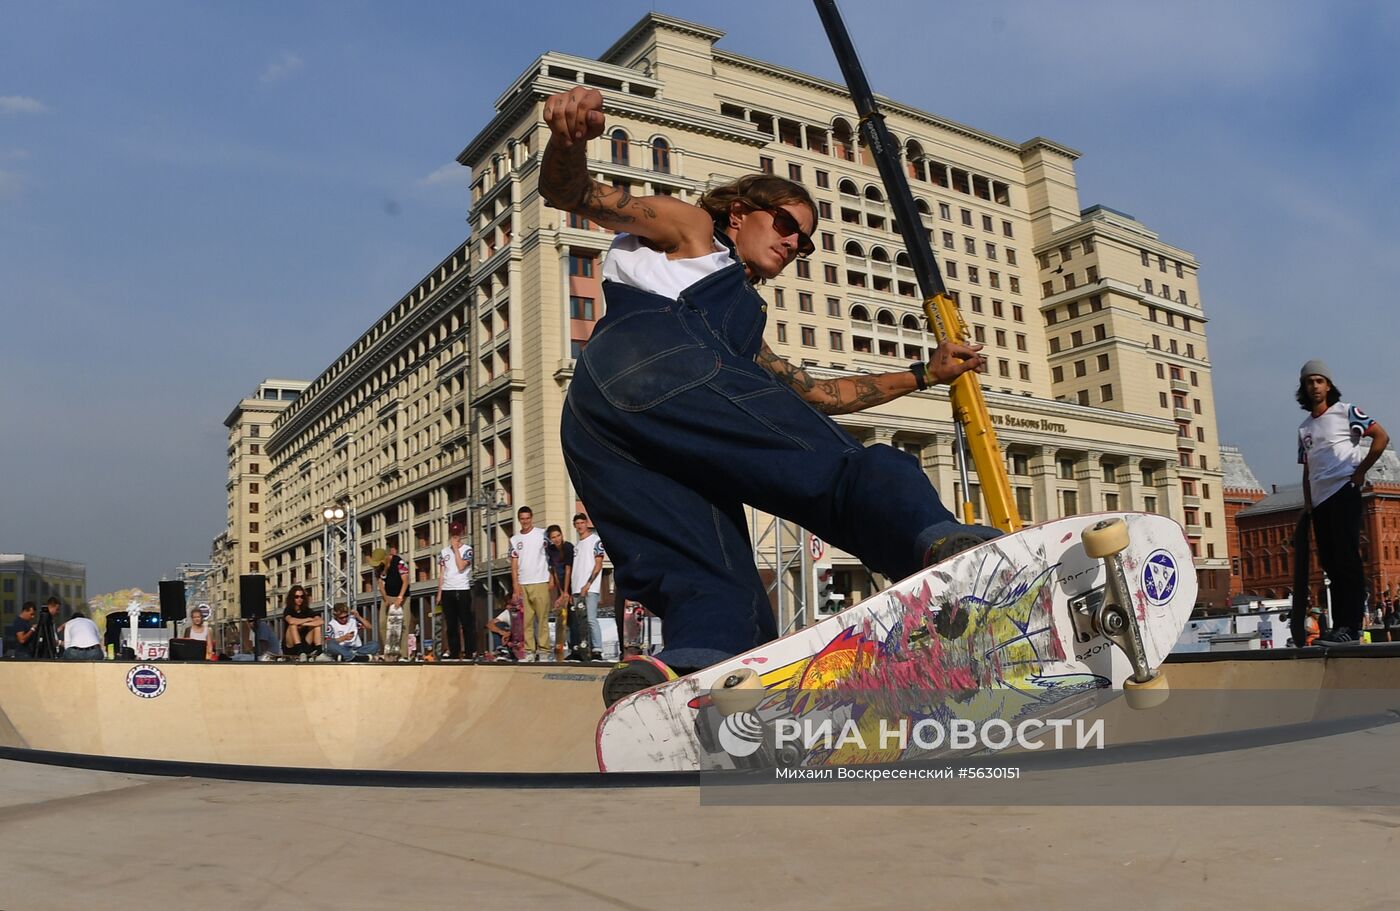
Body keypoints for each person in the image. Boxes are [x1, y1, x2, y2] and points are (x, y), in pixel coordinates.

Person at [540, 85, 996, 703]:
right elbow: (574, 195)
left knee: (708, 574)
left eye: (803, 241)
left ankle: (689, 674)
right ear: (739, 212)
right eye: (784, 223)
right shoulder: (693, 229)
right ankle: (939, 547)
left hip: (599, 418)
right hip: (660, 359)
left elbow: (821, 395)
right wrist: (568, 140)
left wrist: (923, 374)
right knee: (838, 470)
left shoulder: (741, 335)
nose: (792, 242)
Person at [1297, 359, 1389, 645]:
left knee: (1348, 560)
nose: (1315, 386)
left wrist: (1361, 471)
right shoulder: (1304, 428)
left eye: (1319, 380)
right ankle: (1340, 627)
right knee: (1331, 564)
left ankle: (1351, 625)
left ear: (1328, 385)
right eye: (1309, 381)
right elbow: (1307, 468)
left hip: (1343, 491)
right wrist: (1308, 503)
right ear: (1304, 387)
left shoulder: (1346, 411)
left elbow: (1381, 437)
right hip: (1320, 501)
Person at [509, 506, 552, 662]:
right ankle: (529, 651)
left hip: (540, 580)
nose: (525, 521)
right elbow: (514, 563)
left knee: (542, 619)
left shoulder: (542, 534)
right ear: (519, 519)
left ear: (531, 518)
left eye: (527, 518)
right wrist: (516, 586)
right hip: (523, 583)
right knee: (526, 620)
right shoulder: (515, 539)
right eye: (522, 519)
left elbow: (551, 556)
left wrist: (552, 577)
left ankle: (544, 650)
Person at [437, 521, 475, 659]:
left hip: (462, 588)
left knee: (466, 622)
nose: (455, 537)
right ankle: (454, 651)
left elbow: (460, 566)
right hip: (448, 589)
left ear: (461, 534)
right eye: (453, 534)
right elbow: (442, 573)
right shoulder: (444, 552)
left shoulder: (467, 550)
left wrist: (456, 549)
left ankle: (469, 651)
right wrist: (439, 593)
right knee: (451, 624)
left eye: (457, 534)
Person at [571, 513, 605, 660]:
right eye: (577, 523)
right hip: (576, 588)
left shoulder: (595, 540)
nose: (580, 526)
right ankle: (584, 649)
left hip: (589, 588)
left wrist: (588, 583)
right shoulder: (577, 545)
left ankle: (597, 649)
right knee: (581, 622)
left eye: (582, 523)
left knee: (591, 619)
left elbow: (598, 564)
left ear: (586, 523)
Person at [373, 545, 410, 659]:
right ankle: (389, 654)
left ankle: (403, 655)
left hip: (403, 596)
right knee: (383, 623)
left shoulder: (399, 562)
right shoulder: (379, 568)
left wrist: (400, 598)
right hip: (387, 596)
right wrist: (385, 598)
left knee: (403, 625)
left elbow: (406, 581)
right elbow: (380, 584)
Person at [545, 524, 575, 660]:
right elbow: (555, 571)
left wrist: (567, 592)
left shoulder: (568, 547)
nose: (556, 539)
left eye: (558, 536)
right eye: (553, 537)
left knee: (572, 616)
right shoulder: (551, 550)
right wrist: (561, 591)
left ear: (562, 535)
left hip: (572, 582)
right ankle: (561, 646)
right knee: (562, 615)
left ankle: (575, 646)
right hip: (561, 584)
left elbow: (568, 569)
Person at [282, 585, 323, 659]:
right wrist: (307, 619)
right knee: (293, 625)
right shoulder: (288, 610)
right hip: (291, 645)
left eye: (302, 597)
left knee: (317, 627)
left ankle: (319, 652)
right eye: (296, 597)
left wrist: (303, 624)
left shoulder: (307, 610)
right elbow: (291, 621)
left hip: (305, 643)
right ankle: (300, 652)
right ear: (292, 598)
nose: (299, 599)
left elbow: (320, 621)